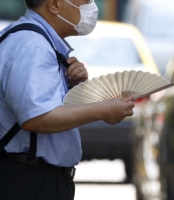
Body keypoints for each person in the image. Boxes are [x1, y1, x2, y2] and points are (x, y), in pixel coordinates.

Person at [0, 0, 135, 199]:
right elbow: (37, 117)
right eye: (85, 0)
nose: (91, 5)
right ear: (54, 4)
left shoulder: (34, 39)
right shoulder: (33, 45)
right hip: (28, 180)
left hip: (31, 177)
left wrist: (72, 87)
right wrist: (102, 110)